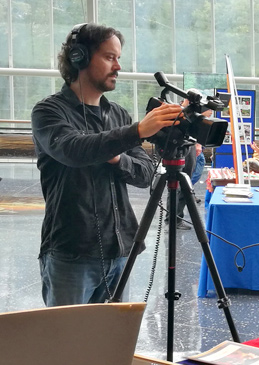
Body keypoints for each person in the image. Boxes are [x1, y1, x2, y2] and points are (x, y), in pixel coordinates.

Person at [31, 23, 183, 306]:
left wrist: (115, 156)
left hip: (121, 250)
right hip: (71, 253)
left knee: (111, 343)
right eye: (110, 57)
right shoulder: (48, 112)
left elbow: (144, 172)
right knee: (68, 345)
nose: (118, 67)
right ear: (80, 57)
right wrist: (135, 132)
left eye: (119, 58)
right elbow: (72, 150)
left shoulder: (118, 114)